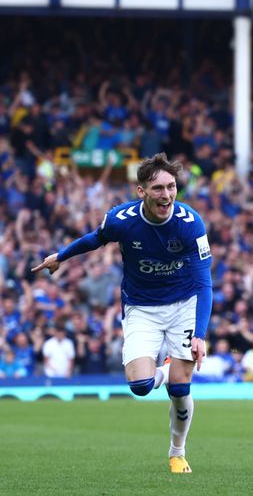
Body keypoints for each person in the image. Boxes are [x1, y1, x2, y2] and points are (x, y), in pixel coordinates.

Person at [31, 154, 212, 474]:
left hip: (183, 305)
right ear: (141, 191)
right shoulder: (121, 219)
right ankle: (168, 370)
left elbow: (204, 282)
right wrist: (61, 256)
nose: (167, 195)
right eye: (158, 188)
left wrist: (199, 334)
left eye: (171, 187)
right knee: (141, 385)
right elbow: (95, 240)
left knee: (181, 391)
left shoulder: (190, 223)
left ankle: (177, 451)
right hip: (141, 307)